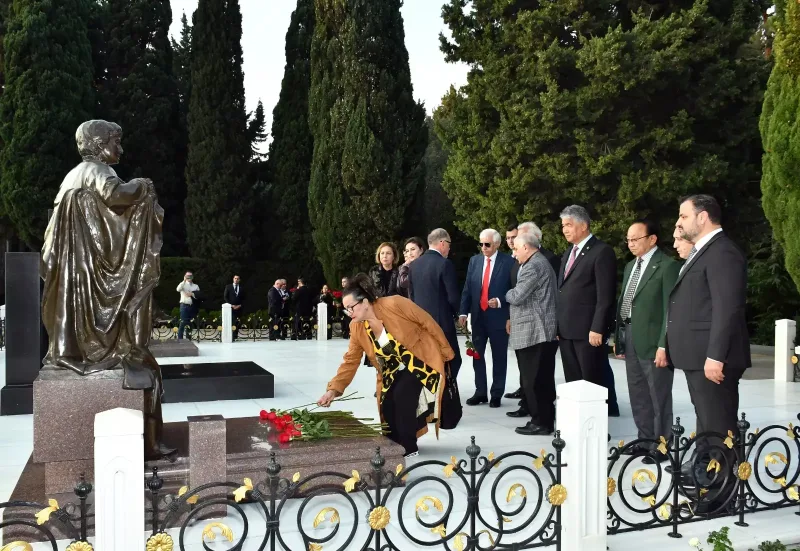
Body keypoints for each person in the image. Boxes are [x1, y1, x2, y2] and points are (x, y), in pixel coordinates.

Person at [41, 119, 173, 459]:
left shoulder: (73, 175)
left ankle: (77, 345)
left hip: (76, 271)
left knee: (80, 314)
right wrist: (142, 186)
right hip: (85, 268)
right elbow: (117, 197)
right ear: (101, 145)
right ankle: (100, 347)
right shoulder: (97, 170)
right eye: (117, 142)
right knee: (135, 354)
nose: (121, 149)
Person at [317, 274, 454, 458]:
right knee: (387, 406)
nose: (350, 312)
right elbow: (351, 360)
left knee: (402, 395)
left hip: (420, 360)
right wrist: (333, 390)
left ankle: (409, 448)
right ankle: (394, 447)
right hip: (391, 372)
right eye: (346, 309)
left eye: (351, 307)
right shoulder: (356, 327)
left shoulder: (395, 304)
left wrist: (446, 353)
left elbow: (427, 321)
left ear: (365, 302)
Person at [666, 195, 750, 492]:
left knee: (718, 427)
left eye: (684, 216)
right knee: (707, 423)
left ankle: (722, 493)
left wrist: (716, 356)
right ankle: (707, 483)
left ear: (703, 218)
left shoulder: (723, 252)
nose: (679, 222)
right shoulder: (706, 251)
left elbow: (727, 309)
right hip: (698, 356)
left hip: (712, 358)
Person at [614, 220, 680, 456]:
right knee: (638, 392)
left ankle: (661, 445)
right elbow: (626, 302)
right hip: (631, 335)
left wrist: (664, 344)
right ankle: (644, 440)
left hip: (654, 341)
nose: (630, 244)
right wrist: (619, 337)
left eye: (635, 239)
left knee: (658, 395)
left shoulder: (667, 266)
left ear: (652, 239)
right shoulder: (632, 265)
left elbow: (669, 310)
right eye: (628, 240)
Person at [556, 205, 619, 415]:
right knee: (573, 379)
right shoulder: (568, 253)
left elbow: (605, 296)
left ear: (583, 225)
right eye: (563, 225)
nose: (565, 229)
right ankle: (577, 419)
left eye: (569, 225)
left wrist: (598, 328)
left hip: (588, 331)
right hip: (567, 330)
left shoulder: (601, 252)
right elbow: (562, 291)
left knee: (592, 380)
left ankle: (597, 421)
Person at [505, 231, 558, 435]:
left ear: (526, 247)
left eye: (516, 249)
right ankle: (541, 419)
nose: (514, 254)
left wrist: (506, 293)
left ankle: (541, 422)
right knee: (538, 379)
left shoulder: (533, 265)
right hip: (537, 331)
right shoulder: (536, 262)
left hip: (535, 332)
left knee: (534, 380)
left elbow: (517, 295)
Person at [458, 229, 514, 407]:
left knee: (499, 357)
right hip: (478, 318)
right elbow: (468, 288)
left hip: (499, 317)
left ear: (496, 244)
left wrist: (500, 302)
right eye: (481, 244)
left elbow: (515, 289)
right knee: (477, 355)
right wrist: (463, 312)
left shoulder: (509, 262)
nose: (483, 247)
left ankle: (496, 393)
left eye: (487, 244)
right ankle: (480, 391)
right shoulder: (475, 261)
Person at [408, 228, 462, 378]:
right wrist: (459, 314)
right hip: (442, 323)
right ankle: (447, 394)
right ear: (443, 243)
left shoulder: (414, 265)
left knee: (429, 360)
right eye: (449, 244)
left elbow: (411, 296)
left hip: (421, 324)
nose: (449, 248)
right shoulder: (445, 264)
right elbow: (452, 297)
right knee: (453, 359)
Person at [177, 272, 199, 340]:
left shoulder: (195, 286)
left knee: (190, 322)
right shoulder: (182, 285)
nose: (189, 277)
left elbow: (199, 295)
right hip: (184, 305)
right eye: (187, 276)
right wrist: (183, 281)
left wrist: (192, 294)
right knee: (183, 322)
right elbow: (178, 289)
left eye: (190, 276)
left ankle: (188, 338)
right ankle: (180, 338)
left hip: (192, 306)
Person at [223, 275, 244, 341]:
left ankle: (235, 336)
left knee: (237, 322)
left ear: (239, 280)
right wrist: (231, 305)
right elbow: (225, 297)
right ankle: (231, 336)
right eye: (235, 278)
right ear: (233, 279)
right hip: (230, 308)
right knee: (231, 322)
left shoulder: (241, 288)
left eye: (238, 279)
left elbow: (244, 298)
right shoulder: (228, 287)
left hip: (238, 308)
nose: (236, 280)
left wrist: (240, 305)